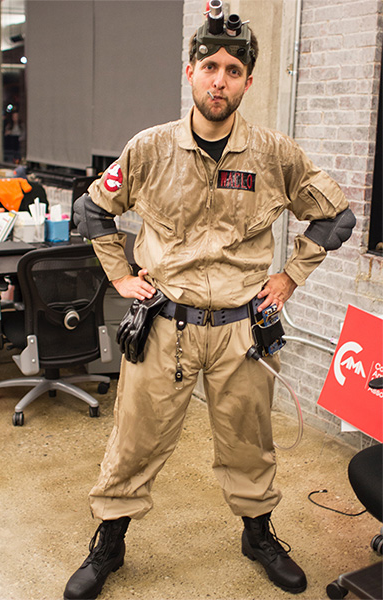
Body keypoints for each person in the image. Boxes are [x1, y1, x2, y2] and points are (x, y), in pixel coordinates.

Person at [64, 4, 355, 599]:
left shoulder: (275, 156)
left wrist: (290, 277)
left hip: (241, 333)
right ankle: (110, 543)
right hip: (164, 325)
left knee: (250, 443)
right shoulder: (149, 149)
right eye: (208, 66)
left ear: (248, 79)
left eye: (232, 69)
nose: (218, 79)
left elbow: (337, 215)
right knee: (134, 440)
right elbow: (93, 208)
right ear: (189, 72)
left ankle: (257, 534)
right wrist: (120, 277)